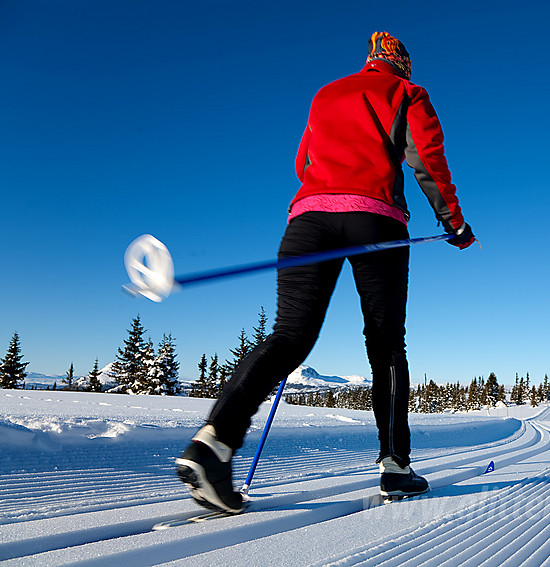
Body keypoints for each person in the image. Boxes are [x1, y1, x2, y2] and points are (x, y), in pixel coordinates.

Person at [176, 31, 475, 513]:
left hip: (308, 217)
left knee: (290, 334)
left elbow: (304, 162)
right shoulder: (408, 93)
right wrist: (453, 223)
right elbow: (427, 161)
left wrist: (328, 194)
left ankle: (215, 442)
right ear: (401, 64)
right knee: (385, 342)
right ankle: (396, 466)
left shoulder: (327, 92)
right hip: (375, 217)